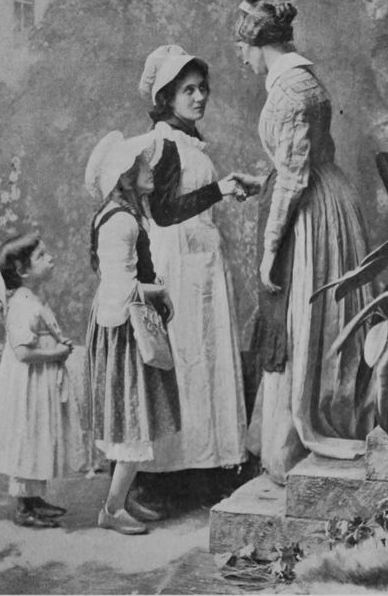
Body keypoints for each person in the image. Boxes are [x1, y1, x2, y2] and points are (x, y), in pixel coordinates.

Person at [231, 0, 375, 484]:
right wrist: (262, 181)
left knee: (303, 316)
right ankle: (293, 432)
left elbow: (294, 177)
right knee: (315, 318)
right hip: (328, 197)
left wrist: (270, 251)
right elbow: (297, 161)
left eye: (243, 47)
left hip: (311, 213)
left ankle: (292, 442)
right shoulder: (302, 81)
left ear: (259, 44)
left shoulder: (290, 91)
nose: (242, 58)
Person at [137, 45, 247, 473]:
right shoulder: (164, 142)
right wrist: (218, 190)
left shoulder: (189, 142)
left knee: (206, 353)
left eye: (202, 88)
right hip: (177, 260)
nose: (200, 97)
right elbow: (163, 213)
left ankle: (207, 462)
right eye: (188, 90)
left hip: (200, 257)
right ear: (167, 97)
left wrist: (224, 190)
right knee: (185, 355)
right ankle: (170, 470)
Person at [84, 130, 181, 534]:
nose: (151, 170)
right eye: (142, 166)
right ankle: (111, 509)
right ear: (125, 177)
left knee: (136, 415)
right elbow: (119, 288)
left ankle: (123, 497)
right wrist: (160, 291)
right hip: (124, 330)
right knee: (131, 420)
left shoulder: (125, 215)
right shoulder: (120, 221)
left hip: (127, 323)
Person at [0, 233, 75, 527]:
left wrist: (58, 341)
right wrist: (57, 352)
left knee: (37, 436)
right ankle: (24, 508)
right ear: (22, 270)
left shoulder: (32, 298)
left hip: (37, 382)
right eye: (41, 256)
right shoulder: (22, 304)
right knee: (27, 436)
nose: (51, 259)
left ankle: (33, 499)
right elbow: (22, 352)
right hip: (27, 384)